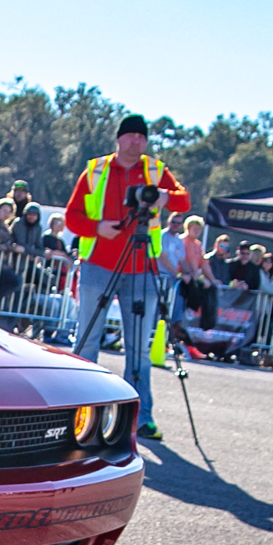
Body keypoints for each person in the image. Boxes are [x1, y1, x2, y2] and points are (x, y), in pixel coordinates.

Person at [62, 114, 190, 438]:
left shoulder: (156, 171)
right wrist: (97, 228)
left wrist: (163, 197)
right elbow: (71, 216)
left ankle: (140, 418)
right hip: (99, 264)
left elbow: (184, 200)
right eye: (130, 135)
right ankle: (75, 412)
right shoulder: (96, 170)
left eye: (141, 137)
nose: (136, 141)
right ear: (118, 139)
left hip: (141, 267)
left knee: (138, 348)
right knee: (88, 339)